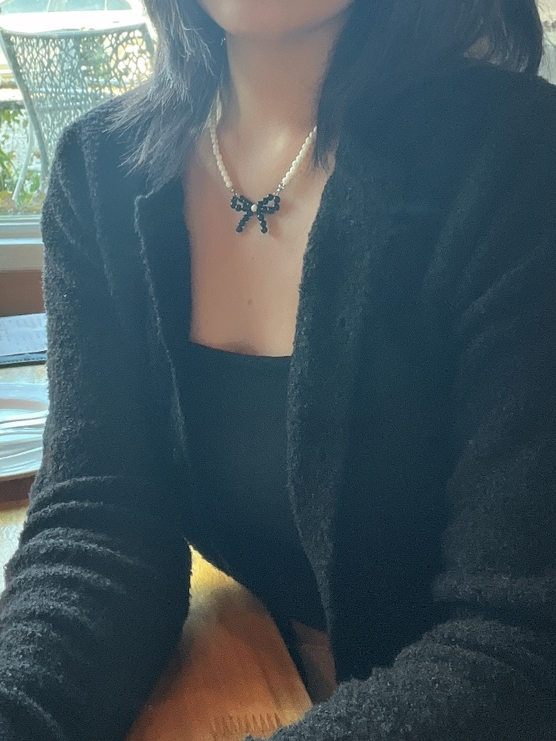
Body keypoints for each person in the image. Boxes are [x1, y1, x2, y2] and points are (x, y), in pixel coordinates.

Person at [0, 0, 556, 738]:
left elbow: (524, 643)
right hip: (277, 664)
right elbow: (103, 519)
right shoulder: (101, 170)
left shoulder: (521, 157)